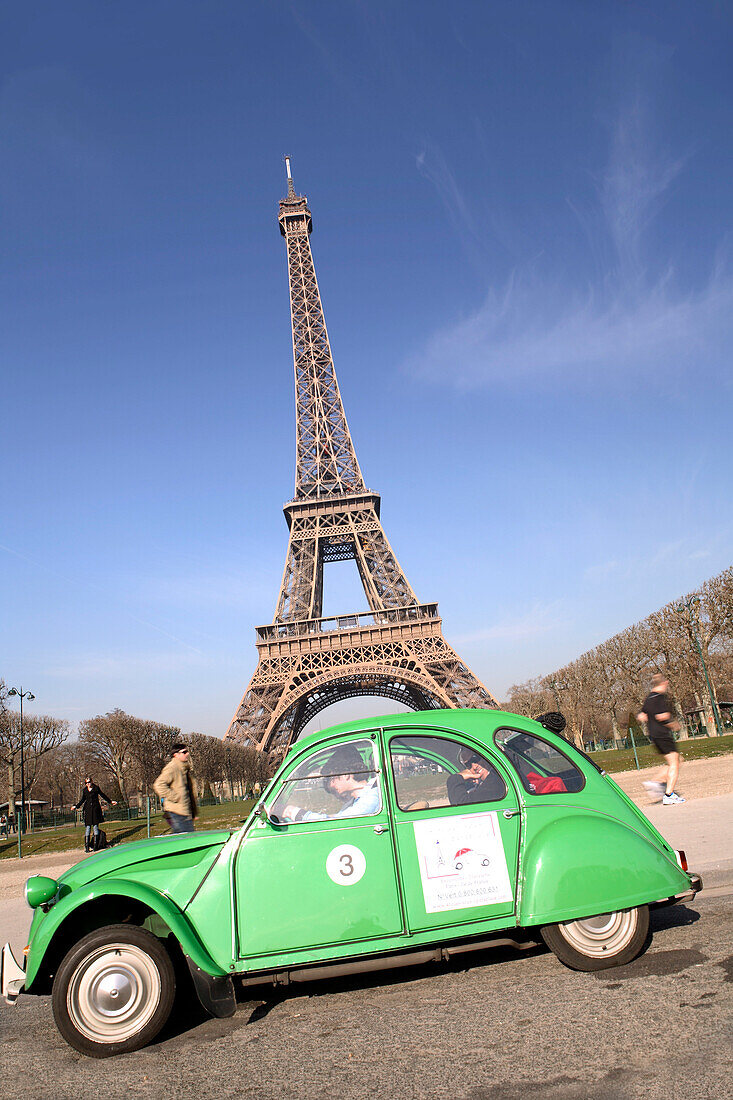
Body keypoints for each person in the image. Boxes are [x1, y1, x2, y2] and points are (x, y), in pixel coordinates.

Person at [281, 745, 380, 822]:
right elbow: (334, 818)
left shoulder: (373, 797)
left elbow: (339, 822)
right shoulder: (357, 801)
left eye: (332, 778)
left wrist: (295, 812)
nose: (331, 786)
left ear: (346, 774)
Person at [638, 673, 686, 805]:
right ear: (663, 683)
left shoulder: (649, 698)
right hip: (662, 734)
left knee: (677, 760)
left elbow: (642, 716)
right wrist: (674, 724)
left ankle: (655, 782)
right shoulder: (659, 698)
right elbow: (662, 716)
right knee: (674, 764)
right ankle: (669, 794)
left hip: (654, 735)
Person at [154, 742, 197, 833]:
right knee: (186, 838)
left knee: (184, 837)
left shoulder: (183, 768)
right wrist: (175, 797)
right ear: (176, 755)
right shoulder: (172, 768)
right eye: (184, 752)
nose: (187, 754)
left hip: (183, 810)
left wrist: (193, 812)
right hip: (177, 810)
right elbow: (159, 784)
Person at [75, 777, 116, 851]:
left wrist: (110, 801)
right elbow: (83, 800)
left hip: (95, 810)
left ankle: (95, 846)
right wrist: (76, 806)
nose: (88, 784)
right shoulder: (85, 790)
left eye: (89, 782)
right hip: (88, 811)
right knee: (88, 828)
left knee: (95, 827)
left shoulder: (96, 788)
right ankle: (87, 847)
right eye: (86, 783)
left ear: (92, 781)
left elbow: (102, 795)